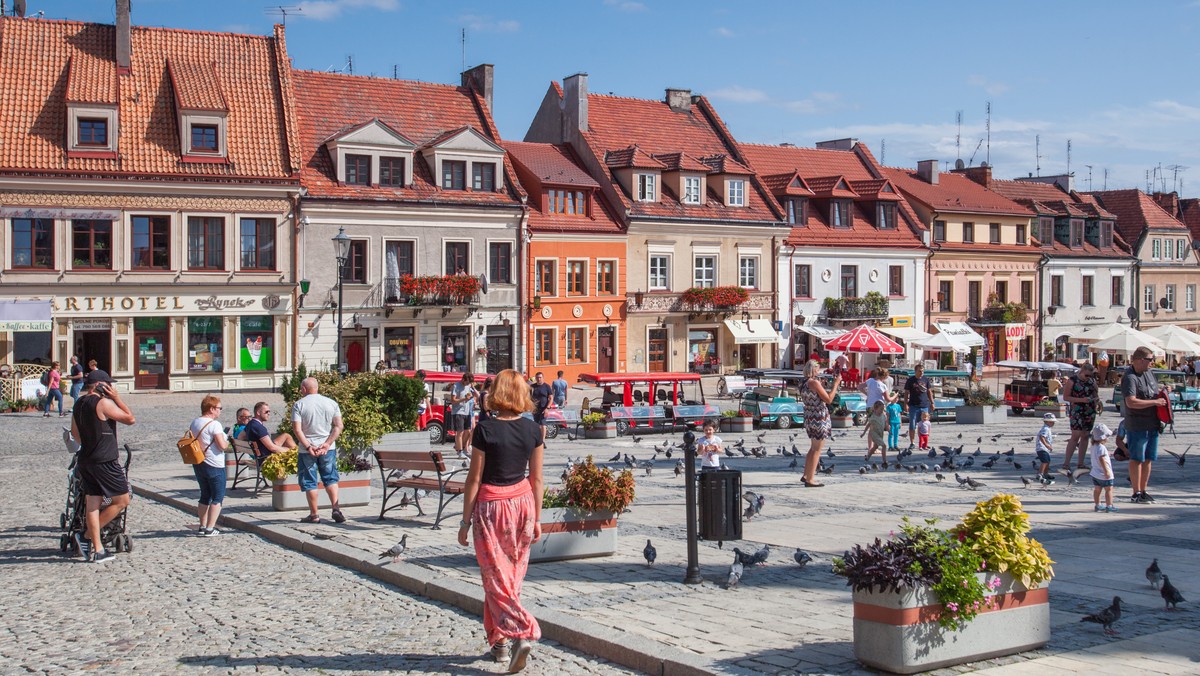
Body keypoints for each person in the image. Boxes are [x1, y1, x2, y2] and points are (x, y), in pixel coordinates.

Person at [457, 369, 543, 672]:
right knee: (511, 577)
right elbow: (537, 478)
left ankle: (522, 631)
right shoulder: (534, 430)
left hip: (492, 506)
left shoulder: (485, 429)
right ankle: (500, 642)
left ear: (498, 394)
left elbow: (474, 479)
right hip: (522, 503)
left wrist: (464, 522)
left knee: (495, 578)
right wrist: (537, 519)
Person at [70, 370, 135, 562]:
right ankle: (87, 536)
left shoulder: (78, 404)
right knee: (122, 500)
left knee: (93, 503)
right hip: (104, 460)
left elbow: (75, 434)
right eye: (109, 385)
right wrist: (117, 399)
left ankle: (98, 550)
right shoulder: (103, 403)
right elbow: (130, 419)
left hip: (86, 459)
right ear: (101, 386)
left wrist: (90, 441)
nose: (112, 388)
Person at [291, 377, 346, 523]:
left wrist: (308, 446)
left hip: (307, 449)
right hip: (327, 448)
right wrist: (327, 443)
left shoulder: (299, 404)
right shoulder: (331, 403)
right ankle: (336, 508)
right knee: (330, 478)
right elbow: (338, 426)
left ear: (303, 389)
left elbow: (297, 430)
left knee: (310, 481)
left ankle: (314, 514)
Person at [1121, 345, 1166, 504]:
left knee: (1148, 459)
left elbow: (1154, 391)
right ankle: (1135, 492)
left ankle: (1144, 490)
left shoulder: (1149, 373)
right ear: (1140, 360)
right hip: (1137, 424)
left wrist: (1163, 392)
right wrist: (1155, 401)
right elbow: (1131, 402)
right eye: (1150, 359)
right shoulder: (1130, 377)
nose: (1153, 362)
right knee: (1137, 458)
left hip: (1152, 422)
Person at [189, 395, 230, 536]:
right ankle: (210, 528)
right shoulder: (214, 425)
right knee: (217, 497)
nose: (220, 411)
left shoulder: (195, 422)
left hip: (199, 462)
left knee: (205, 495)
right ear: (211, 409)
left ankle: (202, 526)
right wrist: (227, 440)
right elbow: (222, 446)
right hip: (214, 463)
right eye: (219, 408)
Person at [800, 359, 840, 487]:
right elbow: (828, 399)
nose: (819, 371)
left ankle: (806, 474)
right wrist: (835, 384)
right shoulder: (814, 382)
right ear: (813, 370)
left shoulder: (803, 382)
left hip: (809, 416)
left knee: (813, 448)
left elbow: (814, 396)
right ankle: (810, 479)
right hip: (819, 417)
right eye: (817, 369)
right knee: (817, 449)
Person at [1062, 364, 1100, 471]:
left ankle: (1081, 463)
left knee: (1085, 435)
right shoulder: (1072, 380)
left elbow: (1095, 393)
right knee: (1076, 435)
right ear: (1081, 371)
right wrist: (1081, 400)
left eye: (1090, 375)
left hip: (1090, 410)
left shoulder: (1091, 380)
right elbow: (1066, 397)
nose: (1088, 377)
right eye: (1086, 375)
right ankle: (1066, 463)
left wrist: (1097, 400)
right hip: (1077, 409)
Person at [1089, 423, 1117, 513]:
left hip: (1095, 473)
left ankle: (1097, 505)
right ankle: (1109, 505)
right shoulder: (1102, 447)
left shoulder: (1093, 446)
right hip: (1103, 473)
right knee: (1109, 490)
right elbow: (1102, 459)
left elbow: (1098, 456)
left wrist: (1107, 454)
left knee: (1097, 489)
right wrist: (1106, 471)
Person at [904, 364, 933, 448]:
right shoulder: (910, 380)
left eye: (923, 371)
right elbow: (906, 393)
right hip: (913, 405)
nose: (921, 372)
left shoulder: (926, 380)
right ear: (915, 371)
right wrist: (906, 404)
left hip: (924, 405)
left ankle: (924, 443)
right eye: (920, 371)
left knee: (925, 424)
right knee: (912, 424)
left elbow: (929, 392)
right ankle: (912, 442)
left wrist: (932, 402)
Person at [450, 372, 478, 459]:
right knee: (460, 432)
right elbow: (453, 400)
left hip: (467, 412)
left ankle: (459, 447)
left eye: (469, 383)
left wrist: (470, 398)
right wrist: (464, 399)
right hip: (458, 411)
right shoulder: (456, 386)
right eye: (467, 382)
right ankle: (460, 451)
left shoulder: (468, 386)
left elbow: (472, 395)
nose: (467, 384)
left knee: (468, 432)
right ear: (463, 379)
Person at [861, 400, 889, 466]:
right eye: (881, 409)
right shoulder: (873, 417)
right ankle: (884, 461)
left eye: (883, 409)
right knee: (884, 446)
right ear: (876, 409)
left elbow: (885, 423)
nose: (882, 410)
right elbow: (868, 425)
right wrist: (864, 433)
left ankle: (868, 457)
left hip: (880, 433)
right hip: (874, 433)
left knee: (875, 447)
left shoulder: (883, 416)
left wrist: (889, 430)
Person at [1035, 413, 1056, 484]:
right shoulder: (1046, 429)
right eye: (1051, 422)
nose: (1053, 423)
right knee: (1044, 461)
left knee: (1048, 461)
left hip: (1044, 449)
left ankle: (1045, 473)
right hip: (1042, 448)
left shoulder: (1047, 428)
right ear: (1046, 421)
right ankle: (1040, 474)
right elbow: (1042, 437)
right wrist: (1047, 445)